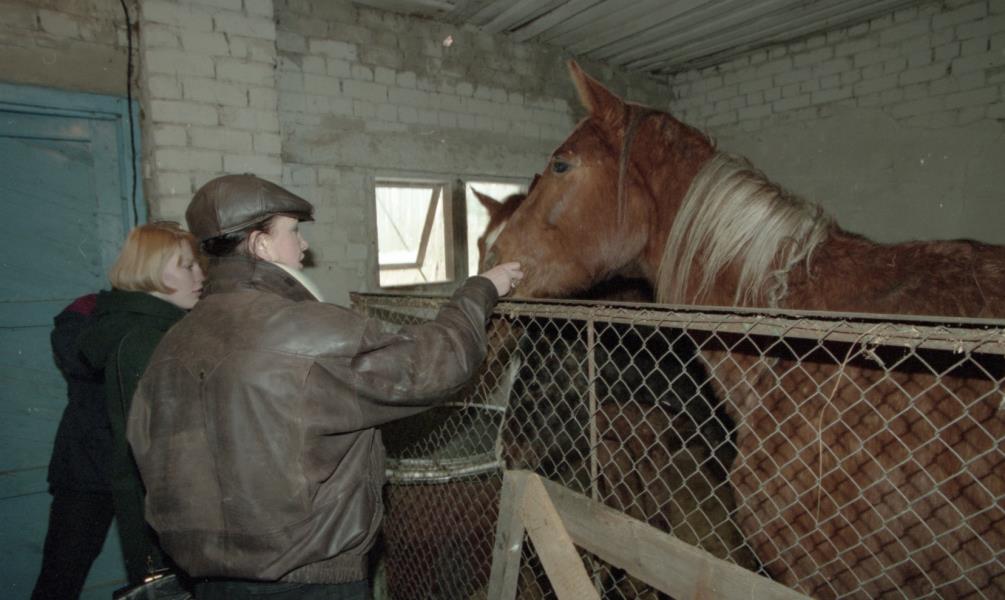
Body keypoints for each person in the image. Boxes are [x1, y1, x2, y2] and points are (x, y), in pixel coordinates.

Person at [127, 174, 523, 600]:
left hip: (210, 580)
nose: (303, 245)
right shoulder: (303, 328)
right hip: (307, 577)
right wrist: (480, 290)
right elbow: (434, 363)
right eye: (292, 231)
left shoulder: (174, 340)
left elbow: (146, 446)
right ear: (261, 245)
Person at [77, 222, 205, 589]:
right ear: (153, 272)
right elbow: (157, 459)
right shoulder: (144, 341)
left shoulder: (160, 330)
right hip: (168, 527)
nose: (199, 275)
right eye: (187, 266)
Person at [31, 294, 114, 600]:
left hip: (143, 470)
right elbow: (81, 361)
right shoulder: (89, 309)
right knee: (61, 577)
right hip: (87, 469)